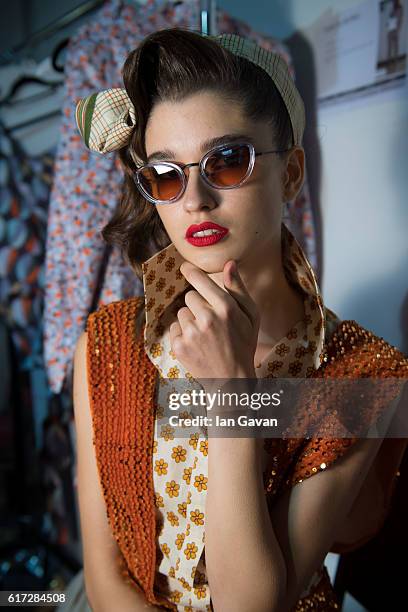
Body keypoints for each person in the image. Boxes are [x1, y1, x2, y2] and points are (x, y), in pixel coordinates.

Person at [72, 27, 408, 611]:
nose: (195, 199)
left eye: (226, 162)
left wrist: (231, 393)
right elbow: (104, 583)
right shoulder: (108, 345)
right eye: (166, 175)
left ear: (293, 174)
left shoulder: (360, 372)